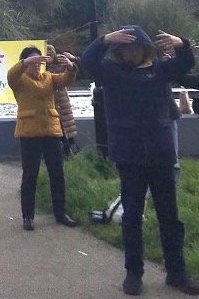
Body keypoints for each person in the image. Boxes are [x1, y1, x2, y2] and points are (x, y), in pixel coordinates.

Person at [81, 26, 199, 296]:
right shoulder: (110, 73)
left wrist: (181, 41)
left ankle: (177, 273)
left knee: (170, 218)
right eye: (125, 48)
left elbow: (186, 62)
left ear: (146, 49)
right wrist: (104, 40)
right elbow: (88, 62)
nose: (131, 52)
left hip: (160, 154)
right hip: (129, 156)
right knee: (132, 217)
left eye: (136, 47)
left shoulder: (159, 70)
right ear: (118, 51)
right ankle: (134, 273)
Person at [7, 45, 78, 232]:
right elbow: (10, 75)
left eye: (39, 61)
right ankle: (28, 216)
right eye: (33, 61)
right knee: (30, 175)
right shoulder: (19, 80)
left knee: (57, 174)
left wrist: (70, 67)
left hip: (51, 131)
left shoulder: (48, 78)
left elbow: (65, 79)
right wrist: (25, 62)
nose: (37, 64)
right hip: (29, 133)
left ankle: (60, 213)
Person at [46, 45, 81, 157]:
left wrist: (71, 59)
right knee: (57, 126)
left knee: (66, 123)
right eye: (46, 54)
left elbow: (73, 70)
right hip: (50, 99)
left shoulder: (61, 62)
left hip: (61, 99)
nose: (49, 56)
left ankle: (70, 147)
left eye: (50, 53)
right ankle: (64, 150)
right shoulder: (42, 66)